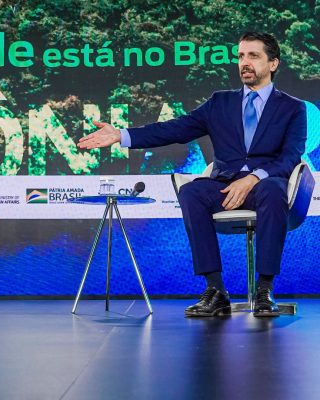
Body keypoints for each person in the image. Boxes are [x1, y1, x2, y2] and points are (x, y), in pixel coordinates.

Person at [77, 32, 307, 317]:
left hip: (265, 186)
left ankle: (264, 289)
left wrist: (253, 178)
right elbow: (174, 128)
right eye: (240, 56)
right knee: (191, 192)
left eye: (253, 56)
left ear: (273, 63)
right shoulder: (220, 103)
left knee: (273, 189)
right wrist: (122, 135)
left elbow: (290, 157)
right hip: (225, 186)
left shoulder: (292, 108)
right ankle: (215, 290)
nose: (244, 62)